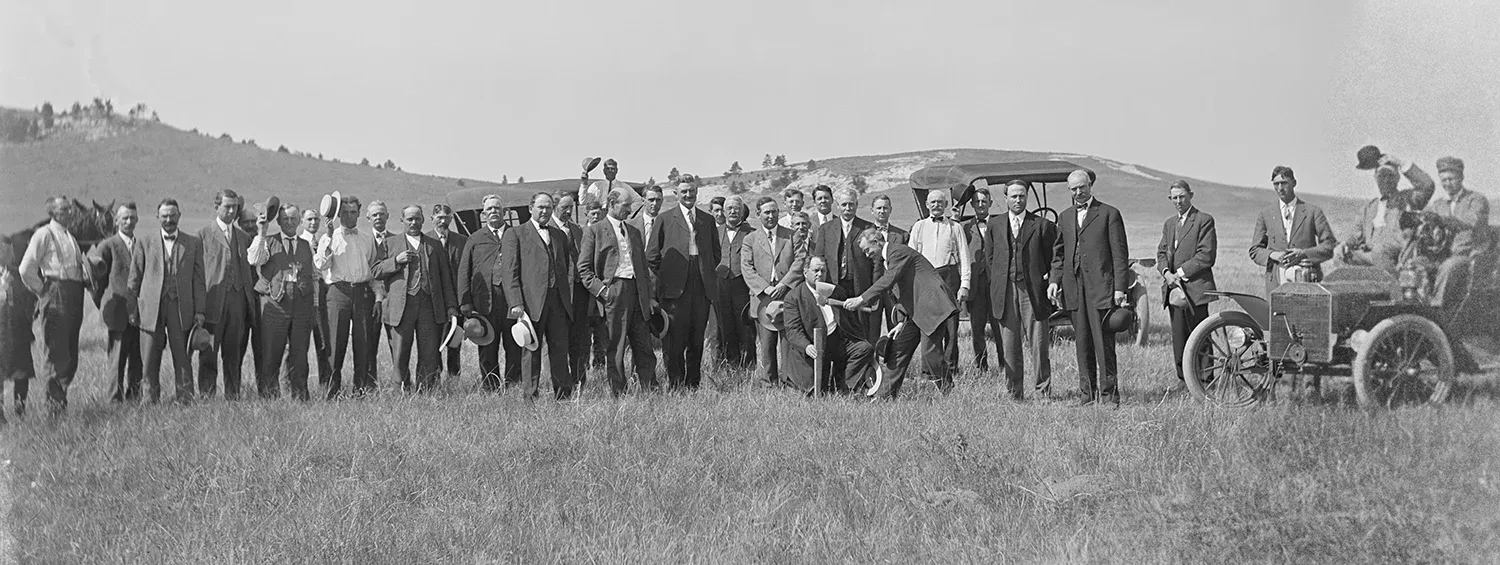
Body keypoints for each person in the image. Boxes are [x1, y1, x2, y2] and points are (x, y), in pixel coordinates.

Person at [840, 229, 958, 399]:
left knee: (930, 356)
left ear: (876, 242)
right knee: (898, 350)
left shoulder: (898, 252)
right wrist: (901, 322)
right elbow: (902, 291)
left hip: (932, 308)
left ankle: (948, 393)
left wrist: (862, 299)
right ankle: (883, 397)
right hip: (915, 313)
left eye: (867, 250)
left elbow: (888, 281)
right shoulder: (888, 260)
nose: (867, 255)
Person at [1048, 169, 1129, 407]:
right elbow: (1058, 255)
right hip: (1074, 289)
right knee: (1082, 343)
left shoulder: (1109, 214)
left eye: (1082, 187)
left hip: (1101, 288)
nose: (1078, 192)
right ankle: (1086, 395)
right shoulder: (1064, 217)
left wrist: (1120, 288)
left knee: (1104, 344)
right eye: (1073, 189)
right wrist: (1054, 280)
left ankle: (1110, 396)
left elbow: (1119, 254)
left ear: (1090, 185)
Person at [577, 185, 658, 395]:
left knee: (644, 345)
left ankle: (650, 389)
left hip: (637, 292)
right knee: (616, 346)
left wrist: (648, 297)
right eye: (625, 205)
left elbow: (642, 268)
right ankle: (618, 393)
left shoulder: (633, 231)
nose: (629, 210)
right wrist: (603, 292)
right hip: (614, 291)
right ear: (611, 204)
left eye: (630, 205)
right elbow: (583, 269)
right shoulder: (594, 231)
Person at [375, 205, 459, 393]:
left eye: (417, 219)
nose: (413, 223)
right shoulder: (390, 243)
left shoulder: (434, 244)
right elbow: (376, 270)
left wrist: (451, 305)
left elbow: (445, 277)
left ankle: (427, 390)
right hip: (401, 307)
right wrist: (396, 261)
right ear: (402, 220)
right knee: (400, 353)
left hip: (429, 306)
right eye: (409, 219)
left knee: (429, 352)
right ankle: (400, 391)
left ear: (423, 220)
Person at [18, 196, 91, 412]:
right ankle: (54, 410)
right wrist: (42, 290)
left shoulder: (70, 237)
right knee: (56, 352)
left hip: (74, 294)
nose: (70, 212)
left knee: (70, 352)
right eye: (65, 209)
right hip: (56, 292)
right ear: (53, 213)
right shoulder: (44, 234)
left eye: (70, 209)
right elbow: (25, 268)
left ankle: (60, 401)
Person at [985, 180, 1057, 399]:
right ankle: (1014, 393)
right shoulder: (994, 225)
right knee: (1009, 345)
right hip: (1006, 290)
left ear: (1027, 198)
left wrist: (1045, 281)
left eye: (1022, 196)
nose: (1018, 200)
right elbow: (990, 259)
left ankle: (1042, 392)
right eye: (1013, 196)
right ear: (1005, 198)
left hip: (1032, 292)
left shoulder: (1042, 225)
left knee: (1039, 344)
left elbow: (1053, 258)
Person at [129, 199, 206, 403]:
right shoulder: (144, 242)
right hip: (150, 309)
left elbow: (199, 280)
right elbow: (134, 279)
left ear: (179, 216)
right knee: (149, 357)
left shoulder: (193, 243)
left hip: (181, 308)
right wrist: (133, 311)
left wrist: (200, 311)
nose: (169, 219)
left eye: (173, 215)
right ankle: (149, 401)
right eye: (165, 216)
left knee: (182, 357)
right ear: (157, 218)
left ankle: (186, 400)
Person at [501, 193, 577, 400]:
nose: (545, 211)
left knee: (560, 350)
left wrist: (567, 297)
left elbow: (565, 268)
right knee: (531, 351)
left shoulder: (559, 235)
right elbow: (509, 272)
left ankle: (563, 396)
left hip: (558, 303)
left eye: (549, 207)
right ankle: (530, 396)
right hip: (530, 304)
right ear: (530, 208)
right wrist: (516, 302)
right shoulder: (515, 234)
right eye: (541, 207)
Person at [647, 180, 720, 390]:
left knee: (697, 340)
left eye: (692, 191)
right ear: (676, 193)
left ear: (697, 192)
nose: (689, 195)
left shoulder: (706, 220)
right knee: (675, 341)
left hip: (701, 286)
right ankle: (676, 385)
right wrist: (667, 277)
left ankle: (693, 385)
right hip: (674, 290)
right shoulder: (665, 219)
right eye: (684, 191)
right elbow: (651, 256)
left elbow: (715, 253)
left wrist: (703, 271)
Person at [247, 202, 318, 399]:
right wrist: (261, 233)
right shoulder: (267, 241)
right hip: (274, 307)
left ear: (299, 222)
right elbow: (254, 259)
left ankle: (300, 396)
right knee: (271, 354)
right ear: (277, 221)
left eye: (293, 218)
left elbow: (315, 275)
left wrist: (315, 306)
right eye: (285, 218)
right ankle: (269, 398)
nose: (289, 222)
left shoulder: (306, 245)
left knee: (300, 355)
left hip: (301, 308)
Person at [313, 195, 380, 398]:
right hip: (338, 292)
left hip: (362, 293)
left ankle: (360, 391)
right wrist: (329, 235)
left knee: (363, 342)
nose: (349, 216)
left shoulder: (367, 239)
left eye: (353, 212)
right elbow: (321, 264)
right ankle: (332, 392)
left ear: (359, 214)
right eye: (344, 212)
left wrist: (378, 297)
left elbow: (374, 272)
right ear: (338, 214)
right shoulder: (329, 237)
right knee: (335, 342)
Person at [456, 194, 523, 391]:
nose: (493, 211)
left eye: (497, 208)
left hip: (512, 301)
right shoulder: (475, 238)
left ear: (504, 212)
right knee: (487, 347)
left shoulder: (516, 235)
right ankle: (490, 387)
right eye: (489, 209)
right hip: (485, 302)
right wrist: (465, 302)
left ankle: (513, 385)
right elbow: (463, 271)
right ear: (483, 214)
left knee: (514, 345)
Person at [1156, 181, 1218, 393]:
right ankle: (1183, 381)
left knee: (1201, 336)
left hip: (1195, 291)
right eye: (1174, 198)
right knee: (1179, 337)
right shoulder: (1169, 224)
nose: (1178, 202)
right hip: (1174, 292)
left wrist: (1179, 274)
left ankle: (1206, 381)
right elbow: (1162, 253)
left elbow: (1206, 256)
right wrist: (1166, 273)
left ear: (1190, 195)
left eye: (1182, 197)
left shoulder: (1204, 221)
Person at [781, 256, 873, 395]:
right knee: (814, 391)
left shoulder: (837, 291)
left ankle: (843, 388)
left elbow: (851, 322)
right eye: (816, 270)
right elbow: (793, 330)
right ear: (805, 272)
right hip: (813, 345)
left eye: (823, 271)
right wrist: (806, 346)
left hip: (836, 341)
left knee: (864, 348)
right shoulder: (793, 297)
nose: (820, 274)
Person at [197, 189, 254, 399]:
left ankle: (233, 398)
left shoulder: (243, 237)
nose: (231, 211)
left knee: (233, 355)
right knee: (208, 354)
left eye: (235, 207)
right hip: (213, 304)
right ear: (216, 207)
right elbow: (198, 275)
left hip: (237, 304)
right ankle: (206, 397)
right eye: (227, 206)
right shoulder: (203, 235)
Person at [741, 196, 805, 388]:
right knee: (767, 345)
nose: (771, 215)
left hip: (787, 297)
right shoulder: (750, 239)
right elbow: (747, 268)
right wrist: (765, 288)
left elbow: (800, 260)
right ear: (758, 214)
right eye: (767, 212)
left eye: (774, 211)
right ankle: (769, 382)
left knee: (788, 342)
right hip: (762, 300)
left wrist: (784, 284)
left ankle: (789, 381)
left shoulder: (792, 235)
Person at [908, 189, 970, 375]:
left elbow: (964, 257)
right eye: (932, 202)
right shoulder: (919, 227)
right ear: (927, 205)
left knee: (951, 328)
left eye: (940, 202)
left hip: (949, 277)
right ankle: (929, 370)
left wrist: (964, 285)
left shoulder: (955, 227)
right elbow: (911, 256)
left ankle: (950, 369)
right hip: (926, 279)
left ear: (945, 205)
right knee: (929, 326)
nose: (936, 205)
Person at [1250, 166, 1336, 296]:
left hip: (1307, 279)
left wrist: (1304, 253)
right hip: (1276, 281)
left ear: (1294, 183)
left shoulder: (1313, 212)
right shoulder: (1266, 214)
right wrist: (1274, 255)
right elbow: (1255, 250)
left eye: (1284, 183)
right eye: (1276, 184)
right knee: (1277, 315)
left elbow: (1329, 246)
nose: (1280, 188)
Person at [88, 202, 143, 402]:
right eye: (124, 218)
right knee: (117, 358)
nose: (129, 221)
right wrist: (104, 305)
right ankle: (114, 400)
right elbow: (93, 280)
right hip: (117, 311)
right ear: (117, 220)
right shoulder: (107, 245)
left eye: (132, 218)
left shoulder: (142, 245)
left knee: (138, 357)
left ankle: (135, 397)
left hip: (138, 312)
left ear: (137, 220)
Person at [811, 188, 875, 342]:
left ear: (857, 205)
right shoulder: (826, 229)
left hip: (860, 286)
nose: (848, 208)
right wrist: (818, 286)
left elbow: (876, 262)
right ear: (837, 205)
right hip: (834, 286)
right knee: (836, 327)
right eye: (844, 204)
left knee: (861, 327)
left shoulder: (867, 227)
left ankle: (862, 362)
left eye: (851, 204)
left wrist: (873, 290)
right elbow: (818, 258)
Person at [1428, 156, 1492, 305]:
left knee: (1449, 267)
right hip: (1442, 255)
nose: (1447, 184)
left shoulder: (1476, 200)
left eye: (1451, 179)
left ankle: (1436, 308)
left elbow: (1471, 222)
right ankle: (1415, 306)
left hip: (1470, 255)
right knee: (1416, 265)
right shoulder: (1438, 204)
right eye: (1443, 180)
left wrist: (1442, 220)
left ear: (1461, 178)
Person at [553, 192, 595, 386]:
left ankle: (580, 382)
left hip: (579, 293)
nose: (568, 211)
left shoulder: (577, 230)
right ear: (554, 206)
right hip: (558, 295)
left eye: (571, 207)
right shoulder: (548, 230)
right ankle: (560, 382)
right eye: (564, 207)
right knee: (558, 340)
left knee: (580, 339)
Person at [962, 185, 1001, 372]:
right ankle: (982, 366)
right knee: (977, 328)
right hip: (975, 285)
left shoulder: (1001, 223)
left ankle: (1005, 365)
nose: (980, 205)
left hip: (995, 284)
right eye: (977, 202)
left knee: (999, 327)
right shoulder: (965, 227)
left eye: (984, 202)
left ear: (990, 203)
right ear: (972, 204)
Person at [715, 195, 757, 368]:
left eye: (736, 208)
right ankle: (728, 365)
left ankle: (749, 365)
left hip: (743, 285)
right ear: (724, 212)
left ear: (742, 211)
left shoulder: (752, 233)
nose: (733, 211)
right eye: (729, 208)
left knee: (745, 326)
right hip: (720, 285)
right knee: (724, 326)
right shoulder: (714, 232)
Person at [429, 204, 468, 379]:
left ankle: (454, 379)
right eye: (439, 217)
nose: (443, 221)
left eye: (446, 217)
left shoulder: (462, 241)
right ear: (432, 219)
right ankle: (434, 378)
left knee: (454, 343)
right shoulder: (425, 240)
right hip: (433, 302)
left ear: (451, 219)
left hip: (457, 302)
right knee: (433, 343)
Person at [298, 207, 334, 387]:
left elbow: (324, 265)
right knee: (297, 345)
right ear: (302, 221)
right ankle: (294, 386)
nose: (313, 223)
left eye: (316, 220)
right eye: (309, 219)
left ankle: (326, 386)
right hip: (302, 294)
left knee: (323, 342)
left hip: (320, 292)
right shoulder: (298, 242)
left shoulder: (321, 242)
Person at [366, 200, 396, 387]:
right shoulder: (363, 240)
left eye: (381, 214)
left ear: (387, 216)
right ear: (368, 218)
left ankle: (401, 384)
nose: (378, 217)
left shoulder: (396, 241)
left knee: (397, 344)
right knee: (369, 344)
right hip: (368, 299)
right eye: (374, 214)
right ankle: (369, 385)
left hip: (393, 300)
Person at [630, 185, 664, 251]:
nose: (654, 203)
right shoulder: (630, 225)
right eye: (651, 200)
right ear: (643, 201)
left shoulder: (667, 224)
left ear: (662, 200)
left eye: (658, 200)